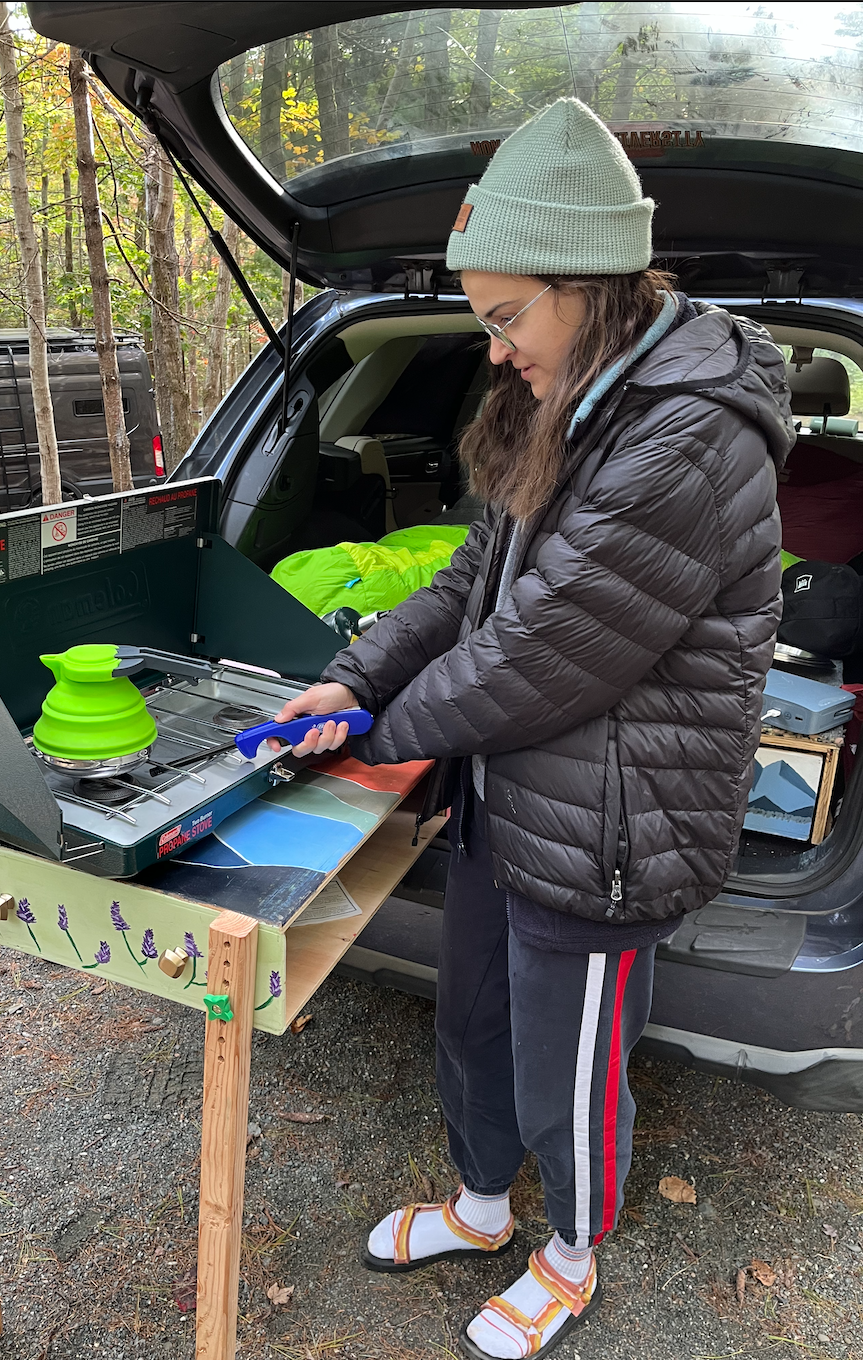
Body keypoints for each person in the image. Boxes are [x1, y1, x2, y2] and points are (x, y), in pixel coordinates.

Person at [268, 97, 795, 1359]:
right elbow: (470, 580)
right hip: (508, 789)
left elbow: (537, 653)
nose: (494, 352)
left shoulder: (688, 436)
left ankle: (568, 1253)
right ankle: (480, 1206)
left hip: (610, 819)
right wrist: (350, 680)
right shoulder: (570, 396)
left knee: (569, 1058)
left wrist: (378, 732)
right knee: (473, 1020)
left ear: (590, 284)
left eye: (506, 318)